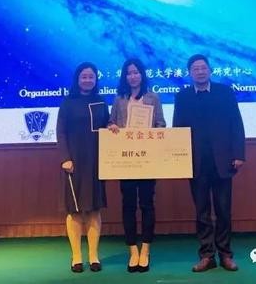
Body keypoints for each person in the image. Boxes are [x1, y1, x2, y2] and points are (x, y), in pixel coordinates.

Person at [172, 54, 245, 272]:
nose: (200, 71)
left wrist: (239, 154)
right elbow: (178, 129)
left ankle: (226, 255)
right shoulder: (183, 96)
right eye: (195, 69)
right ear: (190, 73)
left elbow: (236, 124)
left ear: (210, 70)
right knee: (202, 213)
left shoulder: (224, 92)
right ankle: (207, 255)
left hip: (223, 162)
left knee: (223, 211)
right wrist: (178, 158)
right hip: (196, 163)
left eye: (203, 68)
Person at [108, 58, 166, 273]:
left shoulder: (153, 98)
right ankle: (132, 249)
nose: (133, 76)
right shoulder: (119, 99)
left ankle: (146, 249)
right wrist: (113, 127)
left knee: (147, 204)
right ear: (125, 76)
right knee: (128, 205)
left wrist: (153, 132)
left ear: (142, 74)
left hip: (148, 159)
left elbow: (161, 124)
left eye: (136, 72)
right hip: (126, 160)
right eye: (129, 73)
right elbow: (111, 122)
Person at [56, 62, 109, 273]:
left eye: (91, 77)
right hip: (73, 164)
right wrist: (65, 158)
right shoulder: (67, 103)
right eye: (84, 76)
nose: (88, 80)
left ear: (96, 80)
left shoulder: (101, 102)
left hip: (96, 162)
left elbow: (106, 127)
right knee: (75, 211)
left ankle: (93, 256)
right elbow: (60, 133)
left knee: (94, 209)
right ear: (77, 79)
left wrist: (112, 127)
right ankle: (76, 257)